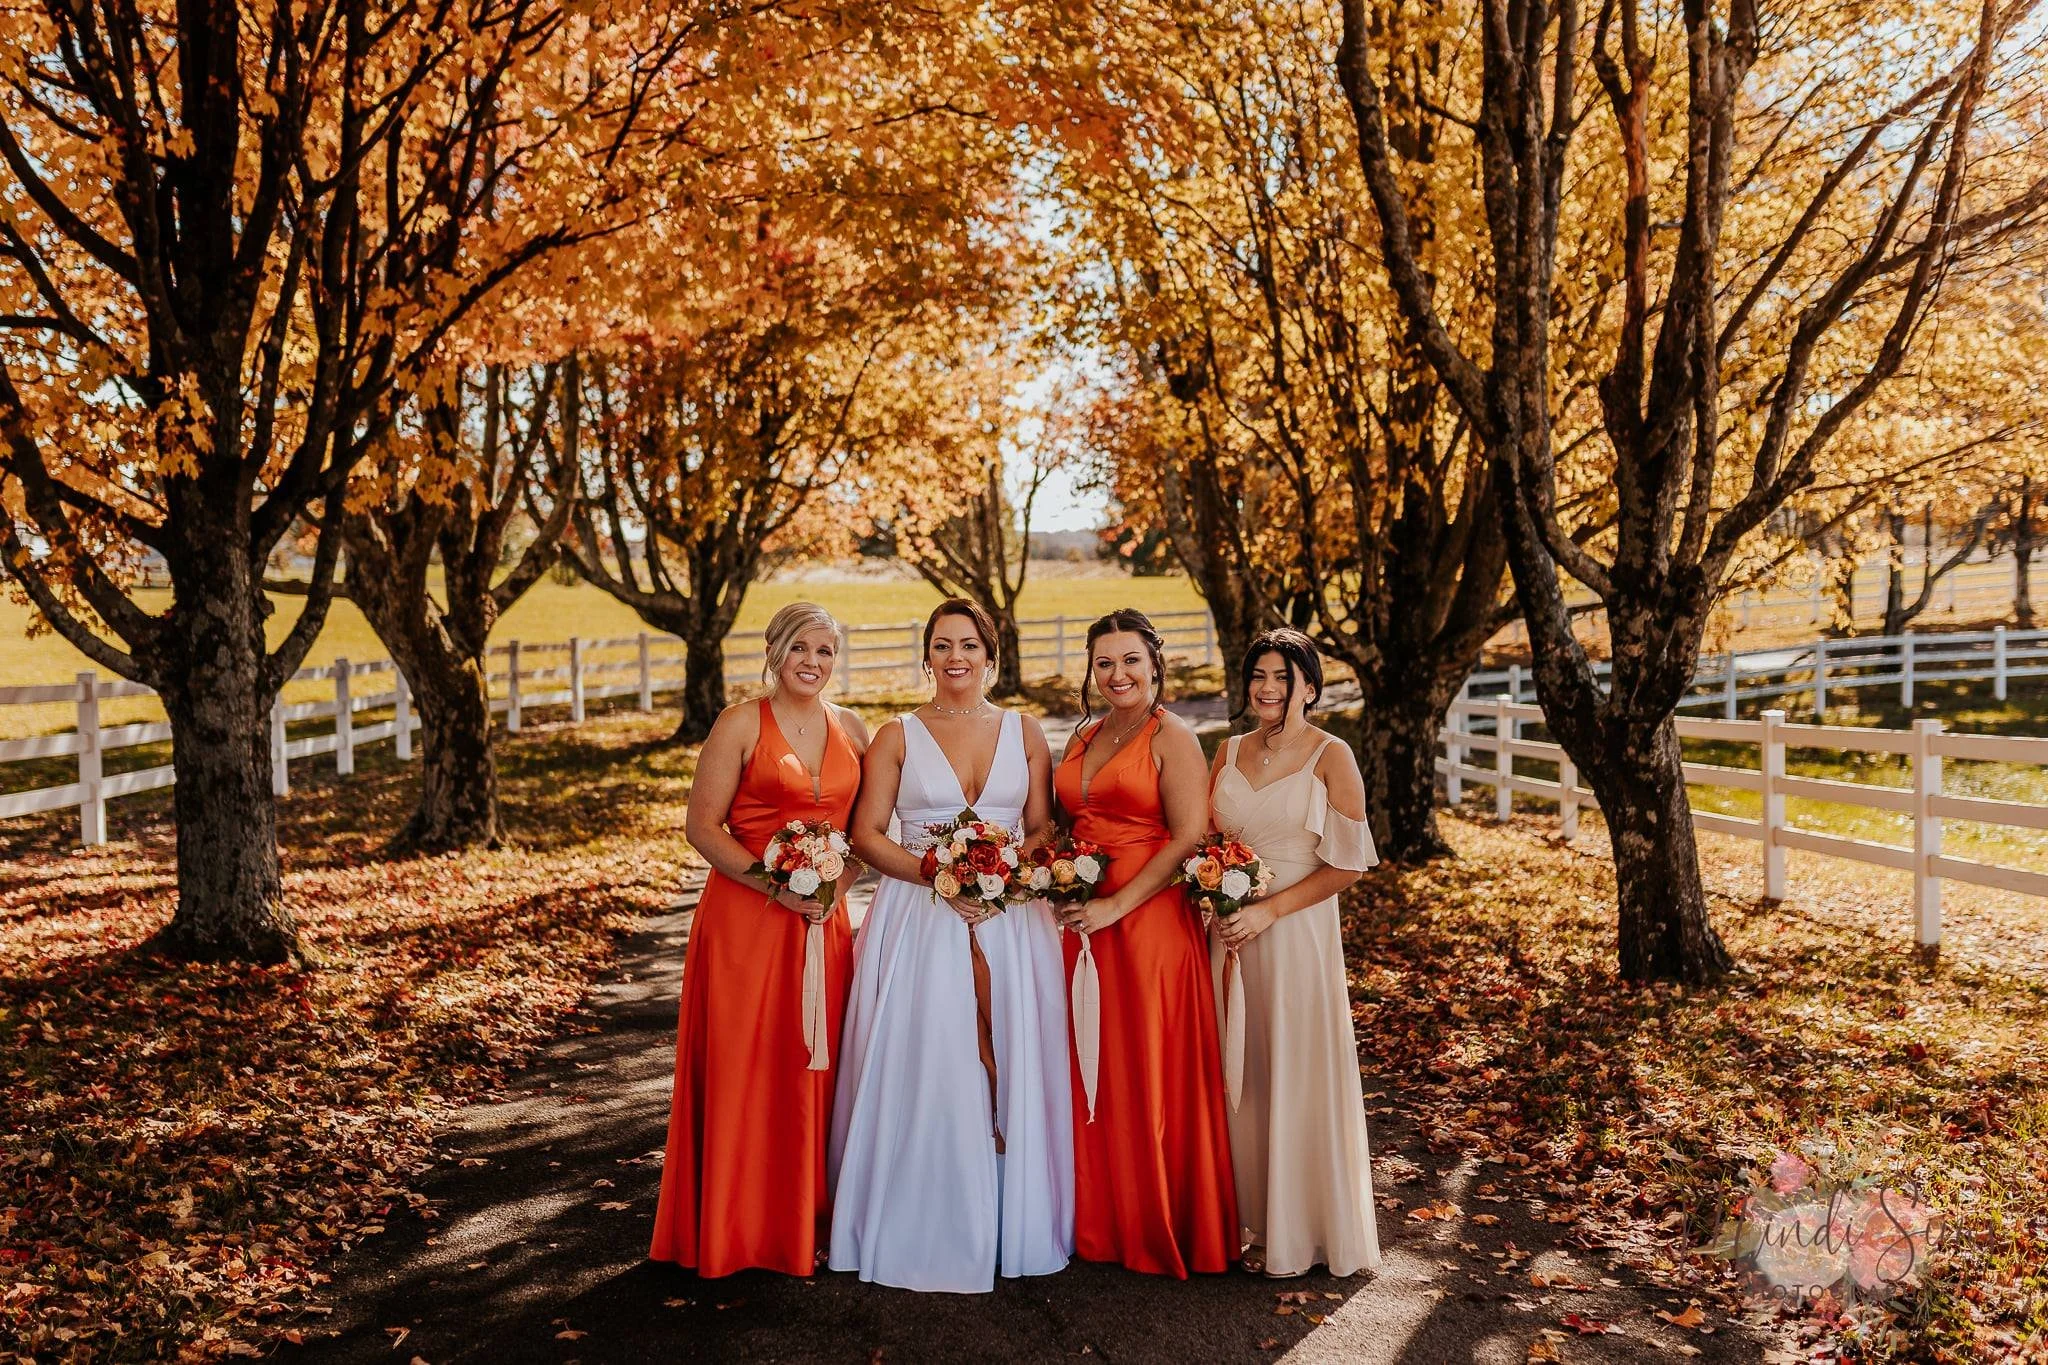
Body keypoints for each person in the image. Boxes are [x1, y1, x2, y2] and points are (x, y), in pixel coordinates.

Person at [828, 598, 1073, 1292]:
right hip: (919, 917)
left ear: (990, 653)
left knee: (1008, 1054)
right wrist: (940, 874)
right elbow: (870, 832)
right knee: (935, 1057)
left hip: (1011, 917)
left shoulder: (1025, 730)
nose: (955, 657)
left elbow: (1041, 826)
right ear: (927, 654)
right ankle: (925, 1217)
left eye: (968, 644)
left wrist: (1001, 877)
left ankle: (1007, 1212)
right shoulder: (896, 734)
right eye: (942, 645)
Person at [650, 603, 869, 1277]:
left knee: (813, 1063)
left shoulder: (852, 728)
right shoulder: (740, 722)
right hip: (746, 920)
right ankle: (733, 1224)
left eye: (826, 650)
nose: (813, 661)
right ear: (773, 650)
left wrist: (834, 885)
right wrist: (778, 886)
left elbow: (863, 833)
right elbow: (703, 826)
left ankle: (806, 1215)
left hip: (821, 925)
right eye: (800, 647)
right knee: (746, 1063)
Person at [1052, 609, 1238, 1277]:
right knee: (1094, 1063)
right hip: (1085, 922)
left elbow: (1188, 835)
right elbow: (1067, 819)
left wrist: (1119, 906)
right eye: (1104, 662)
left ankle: (1159, 1221)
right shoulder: (1085, 734)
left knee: (1148, 1069)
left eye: (1130, 660)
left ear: (1155, 665)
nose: (1117, 673)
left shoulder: (1172, 737)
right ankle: (1103, 1220)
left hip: (1149, 922)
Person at [1209, 628, 1381, 1277]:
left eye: (1283, 676)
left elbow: (1349, 864)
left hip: (1294, 934)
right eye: (1259, 674)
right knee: (1239, 1070)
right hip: (1226, 935)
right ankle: (1246, 1216)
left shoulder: (1332, 755)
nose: (1269, 687)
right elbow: (1204, 839)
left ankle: (1300, 1228)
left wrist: (1268, 910)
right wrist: (1213, 896)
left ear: (1310, 683)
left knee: (1293, 1064)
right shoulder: (1226, 750)